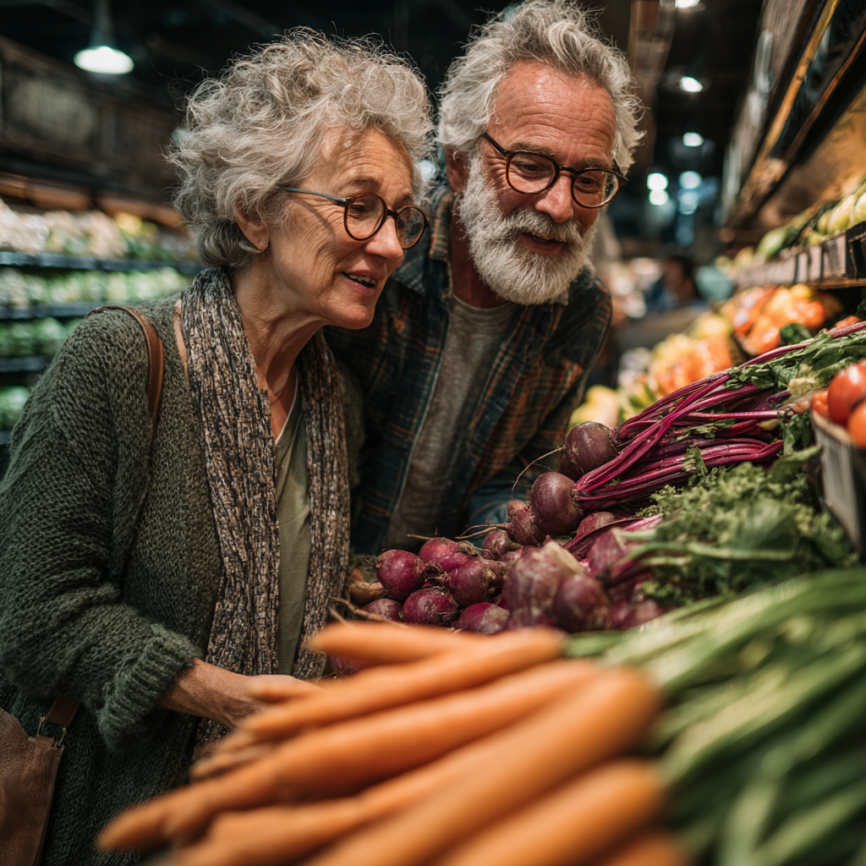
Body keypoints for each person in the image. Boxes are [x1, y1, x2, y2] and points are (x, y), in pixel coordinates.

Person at [0, 31, 431, 864]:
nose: (389, 246)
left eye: (403, 216)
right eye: (360, 204)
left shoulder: (331, 399)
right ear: (252, 212)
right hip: (117, 823)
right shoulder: (121, 362)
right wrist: (218, 695)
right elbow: (32, 614)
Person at [326, 0, 642, 553]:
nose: (561, 206)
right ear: (459, 163)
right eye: (530, 165)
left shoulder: (581, 309)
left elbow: (518, 479)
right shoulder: (377, 257)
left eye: (590, 177)